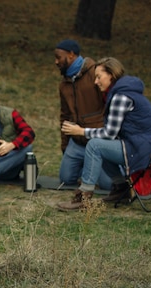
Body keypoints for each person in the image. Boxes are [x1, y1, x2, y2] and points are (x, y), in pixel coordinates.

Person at [57, 57, 151, 211]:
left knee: (94, 145)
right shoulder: (124, 92)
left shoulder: (120, 97)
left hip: (142, 149)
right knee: (100, 146)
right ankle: (121, 188)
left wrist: (81, 131)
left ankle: (84, 197)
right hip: (146, 146)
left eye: (99, 77)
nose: (95, 82)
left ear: (111, 75)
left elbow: (109, 133)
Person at [54, 39, 111, 191]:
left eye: (58, 57)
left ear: (71, 55)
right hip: (76, 142)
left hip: (97, 140)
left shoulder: (95, 74)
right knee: (66, 179)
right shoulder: (64, 85)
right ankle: (88, 166)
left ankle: (99, 165)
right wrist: (65, 146)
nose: (56, 61)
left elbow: (109, 106)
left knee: (108, 185)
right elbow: (64, 116)